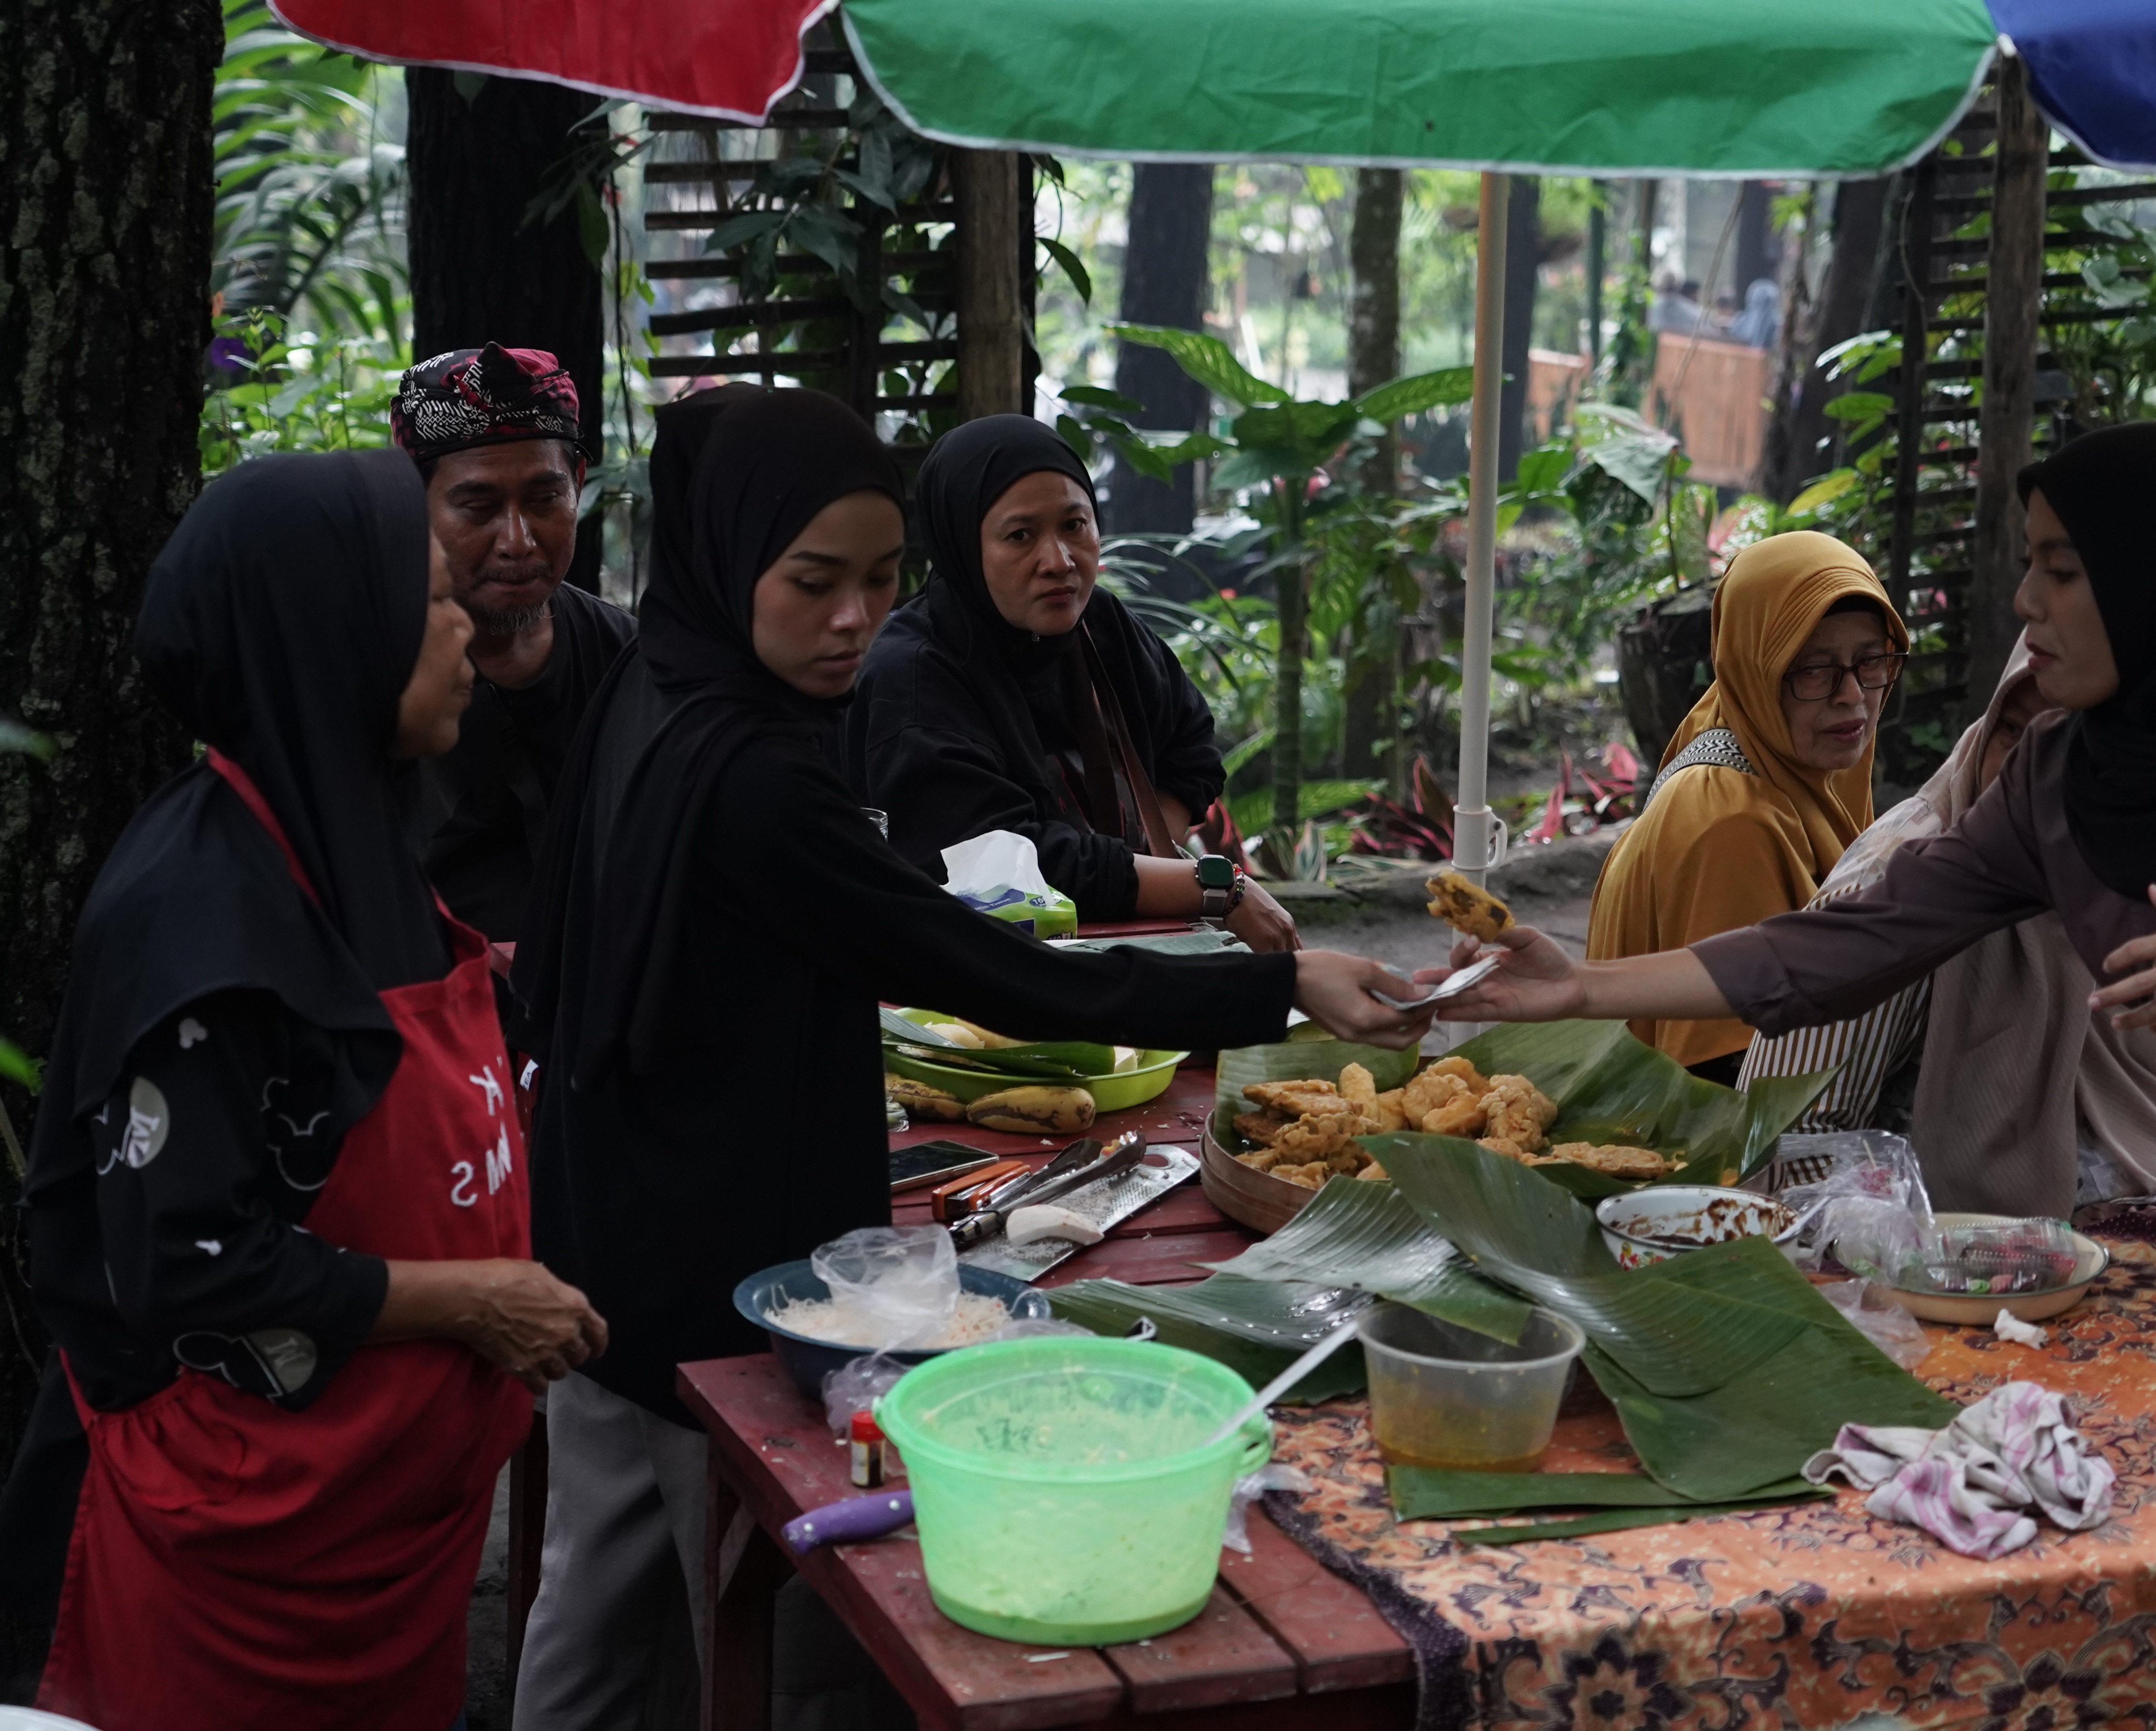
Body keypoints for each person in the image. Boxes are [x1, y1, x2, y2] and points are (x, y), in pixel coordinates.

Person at [511, 389, 1422, 1730]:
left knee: (594, 1598)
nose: (853, 619)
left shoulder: (658, 680)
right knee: (754, 1628)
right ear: (731, 557)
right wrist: (1279, 987)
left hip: (604, 1208)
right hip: (721, 1270)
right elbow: (979, 964)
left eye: (882, 579)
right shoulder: (754, 769)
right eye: (814, 582)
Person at [1436, 422, 2156, 1393]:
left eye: (2061, 571)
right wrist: (1578, 988)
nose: (2025, 603)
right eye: (2031, 565)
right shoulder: (2062, 776)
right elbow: (1847, 941)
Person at [0, 451, 607, 1731]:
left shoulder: (358, 842)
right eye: (434, 601)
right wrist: (477, 1298)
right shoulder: (199, 914)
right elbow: (186, 1259)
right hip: (239, 1555)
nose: (465, 632)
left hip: (388, 1535)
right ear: (335, 636)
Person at [1738, 643, 2156, 1214]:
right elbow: (1781, 1136)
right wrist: (1889, 1239)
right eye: (2011, 732)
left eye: (2068, 741)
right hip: (1939, 1242)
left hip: (2139, 1220)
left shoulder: (2143, 860)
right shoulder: (1905, 880)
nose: (2026, 769)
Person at [850, 415, 1300, 950]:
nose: (1058, 561)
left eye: (1074, 525)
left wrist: (1142, 865)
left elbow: (1191, 747)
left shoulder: (1100, 627)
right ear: (963, 546)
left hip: (1120, 947)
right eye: (1020, 536)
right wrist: (1215, 889)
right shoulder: (914, 679)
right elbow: (1002, 867)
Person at [1582, 531, 1906, 1080]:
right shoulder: (1732, 823)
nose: (1852, 695)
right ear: (1754, 671)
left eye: (1871, 661)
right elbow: (1727, 1078)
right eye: (1814, 669)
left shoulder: (1765, 749)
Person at [391, 342, 636, 940]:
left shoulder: (630, 661)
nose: (518, 540)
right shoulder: (369, 676)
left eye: (544, 499)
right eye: (478, 507)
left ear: (578, 484)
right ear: (410, 502)